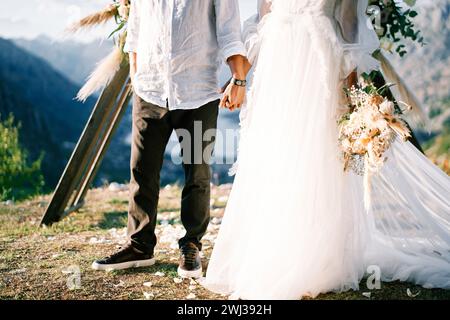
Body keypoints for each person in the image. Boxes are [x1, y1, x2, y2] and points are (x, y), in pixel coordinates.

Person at [203, 0, 450, 299]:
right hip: (277, 66)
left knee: (317, 156)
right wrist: (239, 78)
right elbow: (261, 20)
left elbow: (350, 26)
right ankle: (275, 246)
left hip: (320, 63)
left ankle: (316, 254)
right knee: (276, 155)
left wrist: (352, 93)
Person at [92, 0, 248, 279]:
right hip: (149, 91)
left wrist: (238, 79)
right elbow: (136, 32)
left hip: (197, 92)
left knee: (196, 172)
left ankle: (191, 244)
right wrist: (137, 80)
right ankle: (140, 246)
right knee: (142, 169)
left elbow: (229, 32)